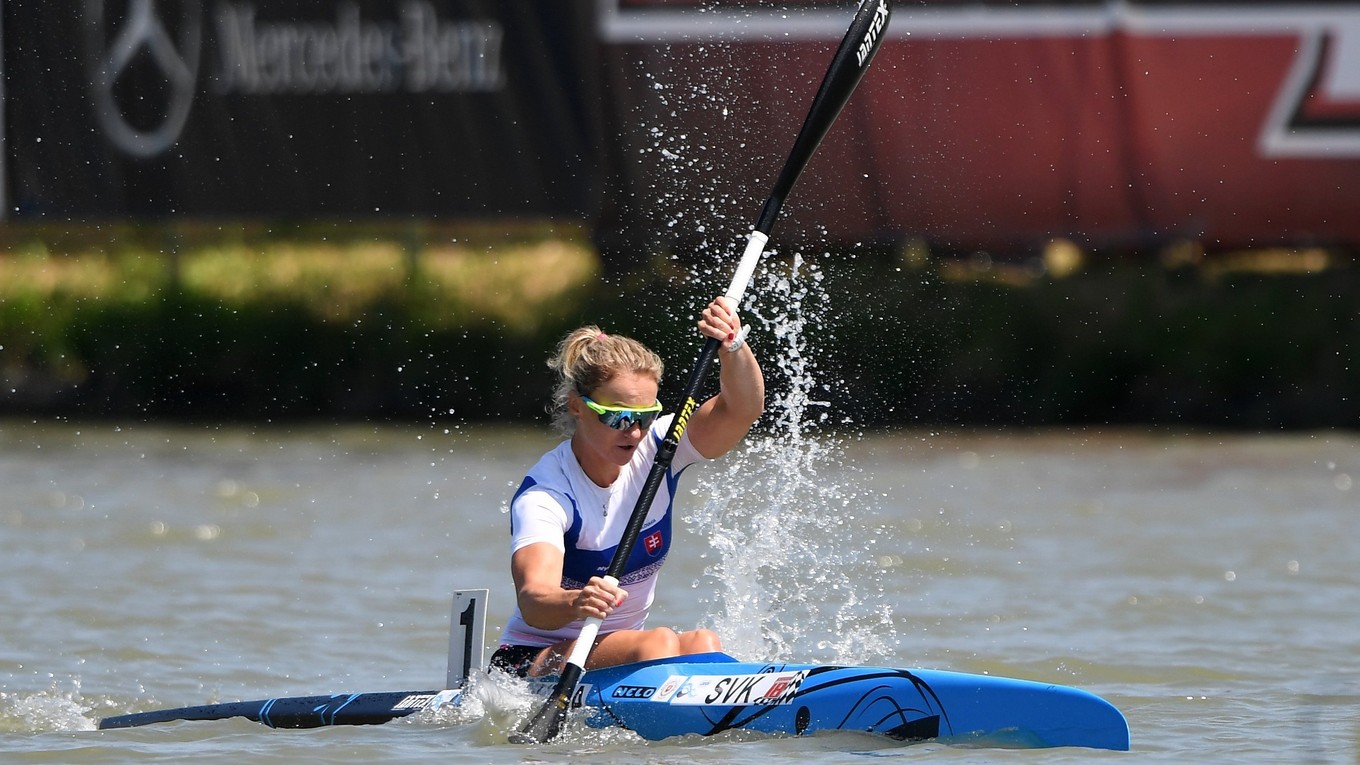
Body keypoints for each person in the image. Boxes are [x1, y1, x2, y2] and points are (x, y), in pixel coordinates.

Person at [489, 296, 765, 678]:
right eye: (617, 418)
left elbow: (742, 409)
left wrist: (732, 346)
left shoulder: (662, 449)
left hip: (620, 653)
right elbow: (535, 599)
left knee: (705, 642)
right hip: (529, 662)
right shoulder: (547, 495)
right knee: (660, 643)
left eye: (646, 416)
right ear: (577, 406)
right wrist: (577, 600)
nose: (635, 433)